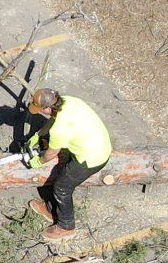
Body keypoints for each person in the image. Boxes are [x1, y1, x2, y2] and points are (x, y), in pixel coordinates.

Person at [24, 88, 112, 244]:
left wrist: (37, 161)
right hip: (99, 142)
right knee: (62, 172)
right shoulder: (68, 100)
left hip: (91, 158)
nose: (41, 113)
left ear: (47, 108)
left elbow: (50, 154)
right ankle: (52, 210)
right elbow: (53, 118)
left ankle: (66, 226)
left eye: (40, 110)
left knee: (62, 188)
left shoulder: (60, 129)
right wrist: (39, 134)